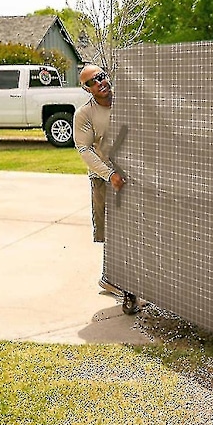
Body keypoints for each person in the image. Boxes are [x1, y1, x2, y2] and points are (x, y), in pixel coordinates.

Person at [74, 65, 125, 295]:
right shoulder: (85, 114)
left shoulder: (126, 102)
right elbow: (84, 149)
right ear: (86, 89)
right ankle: (109, 278)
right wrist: (109, 174)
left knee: (135, 227)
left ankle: (130, 277)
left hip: (133, 175)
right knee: (112, 231)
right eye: (92, 82)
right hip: (104, 179)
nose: (100, 82)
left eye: (101, 77)